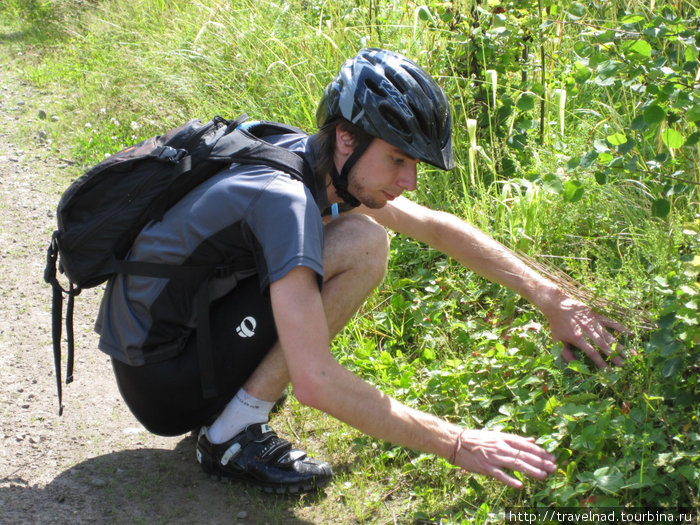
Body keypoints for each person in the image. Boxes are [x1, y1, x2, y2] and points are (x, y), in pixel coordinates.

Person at [95, 48, 627, 494]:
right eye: (399, 159)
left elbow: (437, 228)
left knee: (362, 236)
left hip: (173, 340)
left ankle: (231, 411)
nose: (411, 180)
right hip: (162, 381)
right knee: (365, 243)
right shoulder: (284, 201)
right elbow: (316, 381)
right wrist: (459, 443)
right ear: (348, 138)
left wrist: (550, 297)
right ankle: (230, 435)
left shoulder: (312, 161)